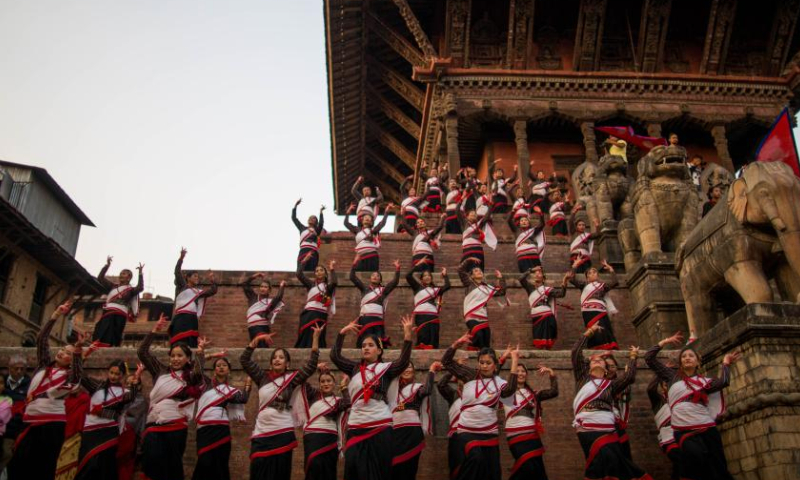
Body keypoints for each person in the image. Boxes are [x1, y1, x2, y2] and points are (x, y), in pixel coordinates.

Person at [645, 331, 740, 480]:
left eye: (691, 356)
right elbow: (649, 358)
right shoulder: (672, 376)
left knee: (718, 466)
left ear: (698, 361)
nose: (687, 358)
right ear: (681, 363)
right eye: (683, 356)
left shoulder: (705, 382)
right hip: (683, 429)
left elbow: (724, 382)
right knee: (696, 457)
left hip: (706, 427)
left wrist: (726, 363)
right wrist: (665, 341)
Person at [329, 316, 414, 480]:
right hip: (356, 425)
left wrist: (407, 335)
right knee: (353, 467)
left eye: (370, 345)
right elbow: (335, 356)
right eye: (363, 346)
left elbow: (403, 361)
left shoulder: (386, 369)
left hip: (380, 425)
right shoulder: (354, 369)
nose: (366, 348)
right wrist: (342, 333)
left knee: (378, 470)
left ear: (379, 350)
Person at [8, 302, 82, 480]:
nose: (62, 353)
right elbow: (41, 339)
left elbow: (78, 375)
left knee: (43, 468)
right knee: (17, 466)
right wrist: (56, 314)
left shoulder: (70, 375)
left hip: (51, 425)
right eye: (62, 349)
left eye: (67, 353)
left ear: (71, 361)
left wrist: (78, 353)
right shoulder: (43, 366)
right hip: (29, 422)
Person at [240, 326, 322, 480]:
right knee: (258, 470)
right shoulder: (261, 377)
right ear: (270, 364)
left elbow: (311, 366)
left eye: (281, 357)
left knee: (280, 472)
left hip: (283, 431)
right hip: (262, 431)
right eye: (274, 357)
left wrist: (315, 339)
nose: (277, 359)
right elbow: (244, 360)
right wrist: (255, 341)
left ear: (287, 364)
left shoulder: (291, 380)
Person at [572, 326, 651, 480]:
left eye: (600, 360)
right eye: (593, 360)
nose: (596, 361)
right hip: (586, 426)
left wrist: (634, 356)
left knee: (611, 461)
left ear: (606, 368)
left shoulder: (611, 385)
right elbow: (575, 352)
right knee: (601, 458)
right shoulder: (582, 378)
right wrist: (589, 333)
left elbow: (629, 377)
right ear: (588, 368)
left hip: (607, 425)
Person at [441, 334, 519, 480]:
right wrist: (456, 344)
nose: (484, 366)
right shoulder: (470, 375)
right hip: (467, 431)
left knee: (492, 471)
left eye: (488, 363)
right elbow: (446, 362)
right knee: (475, 458)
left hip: (489, 433)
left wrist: (514, 361)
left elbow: (510, 390)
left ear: (495, 365)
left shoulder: (499, 382)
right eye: (481, 362)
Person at [137, 314, 205, 480]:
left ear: (187, 358)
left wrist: (201, 353)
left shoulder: (190, 377)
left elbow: (199, 373)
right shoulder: (160, 371)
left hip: (175, 427)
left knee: (172, 466)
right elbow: (142, 352)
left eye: (180, 356)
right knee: (151, 464)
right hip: (154, 425)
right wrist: (154, 331)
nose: (175, 359)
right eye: (173, 356)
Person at [74, 360, 143, 480]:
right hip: (90, 431)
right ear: (108, 372)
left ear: (122, 376)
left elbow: (130, 398)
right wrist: (77, 353)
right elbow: (79, 375)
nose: (113, 376)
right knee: (87, 463)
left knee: (106, 464)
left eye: (117, 374)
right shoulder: (97, 386)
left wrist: (135, 382)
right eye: (111, 372)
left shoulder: (123, 393)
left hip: (109, 433)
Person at [193, 350, 251, 480]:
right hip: (204, 430)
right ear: (214, 371)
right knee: (204, 461)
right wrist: (204, 354)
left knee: (221, 463)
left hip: (222, 430)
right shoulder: (205, 383)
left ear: (229, 370)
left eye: (224, 365)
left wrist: (248, 385)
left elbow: (243, 399)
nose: (221, 367)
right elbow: (197, 370)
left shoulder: (231, 391)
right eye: (218, 365)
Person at [292, 365, 351, 480]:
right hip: (312, 438)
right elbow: (301, 378)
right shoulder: (313, 395)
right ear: (319, 384)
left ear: (334, 383)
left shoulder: (338, 401)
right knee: (313, 465)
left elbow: (348, 403)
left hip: (330, 439)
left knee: (329, 469)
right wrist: (314, 367)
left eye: (329, 381)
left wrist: (344, 386)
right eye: (322, 381)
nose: (325, 383)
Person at [504, 364, 558, 480]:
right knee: (526, 466)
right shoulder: (506, 392)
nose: (520, 373)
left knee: (537, 469)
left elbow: (554, 392)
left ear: (526, 374)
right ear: (513, 374)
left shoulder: (534, 394)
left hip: (532, 436)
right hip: (515, 436)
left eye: (523, 371)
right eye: (517, 371)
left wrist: (551, 372)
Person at [388, 361, 440, 480]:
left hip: (411, 434)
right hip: (394, 434)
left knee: (408, 469)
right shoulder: (391, 392)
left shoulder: (417, 388)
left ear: (413, 371)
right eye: (404, 367)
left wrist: (431, 371)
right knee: (393, 468)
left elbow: (427, 390)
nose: (406, 369)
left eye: (409, 367)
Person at [172, 248, 218, 347]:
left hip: (192, 318)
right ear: (188, 278)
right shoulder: (182, 286)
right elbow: (177, 272)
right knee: (179, 341)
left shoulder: (198, 292)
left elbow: (213, 291)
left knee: (191, 342)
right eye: (195, 276)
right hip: (181, 317)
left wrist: (212, 280)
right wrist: (181, 258)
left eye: (198, 276)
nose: (197, 278)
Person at [570, 259, 620, 350]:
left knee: (604, 328)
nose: (593, 274)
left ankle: (607, 347)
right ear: (587, 277)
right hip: (588, 311)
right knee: (594, 328)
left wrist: (611, 269)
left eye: (595, 272)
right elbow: (572, 279)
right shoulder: (584, 285)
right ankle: (596, 346)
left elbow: (615, 282)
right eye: (590, 273)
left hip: (601, 310)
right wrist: (575, 266)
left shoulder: (602, 286)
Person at [349, 259, 401, 347]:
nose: (375, 277)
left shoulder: (383, 290)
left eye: (377, 276)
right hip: (365, 319)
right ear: (370, 278)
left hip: (377, 320)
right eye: (373, 275)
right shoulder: (364, 289)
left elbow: (394, 282)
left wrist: (397, 269)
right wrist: (354, 264)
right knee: (364, 341)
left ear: (380, 279)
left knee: (378, 342)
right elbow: (352, 278)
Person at [94, 257, 144, 347]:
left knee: (115, 334)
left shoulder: (130, 290)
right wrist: (107, 266)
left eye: (124, 274)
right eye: (120, 273)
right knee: (101, 331)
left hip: (120, 315)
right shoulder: (112, 286)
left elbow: (140, 288)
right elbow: (100, 278)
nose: (121, 275)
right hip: (107, 313)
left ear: (129, 278)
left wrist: (140, 274)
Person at [458, 261, 506, 350]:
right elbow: (460, 270)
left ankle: (482, 358)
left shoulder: (487, 288)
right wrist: (469, 259)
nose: (479, 271)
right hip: (471, 317)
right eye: (476, 271)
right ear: (472, 276)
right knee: (478, 334)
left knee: (486, 340)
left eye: (480, 270)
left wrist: (500, 278)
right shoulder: (469, 284)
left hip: (483, 317)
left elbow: (502, 292)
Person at [519, 267, 570, 350]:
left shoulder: (547, 290)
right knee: (538, 338)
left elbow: (561, 294)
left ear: (543, 278)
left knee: (546, 340)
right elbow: (521, 279)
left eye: (539, 272)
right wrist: (531, 270)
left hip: (547, 316)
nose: (537, 274)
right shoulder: (530, 288)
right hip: (536, 316)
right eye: (535, 273)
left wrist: (564, 280)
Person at [295, 258, 336, 348]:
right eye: (316, 271)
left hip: (320, 315)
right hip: (308, 314)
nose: (319, 272)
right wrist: (305, 260)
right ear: (315, 274)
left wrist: (332, 269)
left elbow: (334, 282)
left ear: (325, 273)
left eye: (321, 270)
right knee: (306, 334)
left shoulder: (328, 288)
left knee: (319, 336)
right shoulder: (311, 284)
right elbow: (299, 274)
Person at [406, 267, 451, 349]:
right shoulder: (417, 287)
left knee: (433, 337)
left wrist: (445, 275)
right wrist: (417, 266)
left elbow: (447, 286)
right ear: (421, 279)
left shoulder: (435, 290)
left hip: (433, 316)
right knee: (423, 337)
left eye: (429, 275)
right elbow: (408, 276)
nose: (427, 277)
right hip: (421, 316)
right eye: (425, 276)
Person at [647, 375, 681, 480]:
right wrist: (659, 373)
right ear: (663, 386)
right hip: (668, 438)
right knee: (681, 461)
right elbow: (651, 389)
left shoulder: (682, 398)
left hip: (685, 436)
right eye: (666, 384)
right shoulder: (659, 400)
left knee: (681, 467)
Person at [241, 273, 285, 348]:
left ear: (269, 290)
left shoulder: (270, 302)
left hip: (262, 327)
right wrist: (255, 276)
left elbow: (278, 297)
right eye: (261, 286)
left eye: (265, 287)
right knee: (253, 347)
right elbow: (245, 284)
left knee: (262, 346)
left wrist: (281, 286)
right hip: (252, 328)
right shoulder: (253, 297)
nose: (263, 288)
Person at [2, 356, 30, 473]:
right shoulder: (3, 382)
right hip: (1, 427)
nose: (19, 371)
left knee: (7, 454)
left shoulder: (29, 386)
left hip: (14, 431)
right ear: (9, 368)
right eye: (15, 368)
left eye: (22, 369)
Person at [344, 204, 393, 272]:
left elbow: (382, 223)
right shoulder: (357, 230)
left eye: (369, 218)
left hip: (372, 256)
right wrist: (348, 212)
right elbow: (346, 223)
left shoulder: (373, 231)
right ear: (362, 220)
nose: (367, 218)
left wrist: (387, 211)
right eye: (365, 217)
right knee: (355, 273)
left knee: (373, 274)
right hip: (361, 256)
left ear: (371, 222)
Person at [605, 355, 633, 460]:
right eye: (607, 366)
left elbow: (625, 404)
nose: (610, 369)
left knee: (624, 455)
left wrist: (623, 421)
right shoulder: (597, 383)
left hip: (618, 423)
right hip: (602, 424)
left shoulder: (622, 383)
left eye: (612, 366)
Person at [437, 369, 463, 479]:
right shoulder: (453, 394)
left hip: (474, 435)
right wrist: (453, 369)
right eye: (462, 377)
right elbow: (441, 385)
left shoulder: (478, 396)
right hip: (457, 437)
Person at [457, 196, 496, 267]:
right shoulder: (464, 224)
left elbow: (486, 217)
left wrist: (490, 206)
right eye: (471, 215)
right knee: (467, 269)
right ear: (467, 217)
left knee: (478, 269)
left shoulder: (479, 224)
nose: (473, 216)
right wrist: (461, 199)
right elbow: (457, 211)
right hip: (467, 250)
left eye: (475, 215)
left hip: (478, 250)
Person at [292, 199, 325, 272]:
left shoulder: (317, 230)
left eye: (314, 218)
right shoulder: (302, 228)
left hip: (313, 251)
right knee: (301, 270)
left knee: (312, 272)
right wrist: (295, 206)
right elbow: (294, 219)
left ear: (316, 222)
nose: (311, 219)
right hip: (303, 250)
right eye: (310, 218)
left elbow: (321, 224)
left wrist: (321, 212)